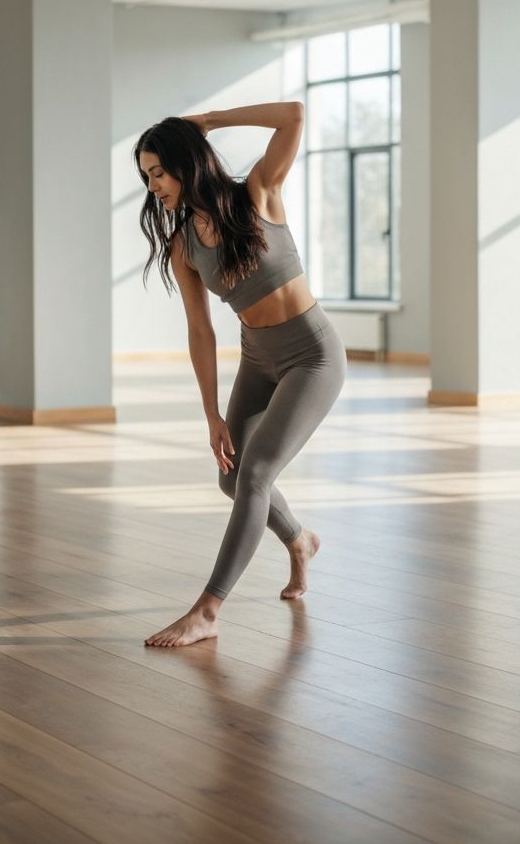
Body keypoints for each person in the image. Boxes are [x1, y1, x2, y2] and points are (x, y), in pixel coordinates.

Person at [134, 101, 347, 647]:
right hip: (258, 358)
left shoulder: (257, 194)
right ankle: (300, 541)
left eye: (158, 171)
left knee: (254, 476)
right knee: (231, 477)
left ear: (185, 161)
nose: (153, 184)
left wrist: (207, 122)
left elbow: (296, 114)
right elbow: (200, 331)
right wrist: (210, 414)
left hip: (311, 355)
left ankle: (208, 610)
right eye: (146, 176)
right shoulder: (184, 244)